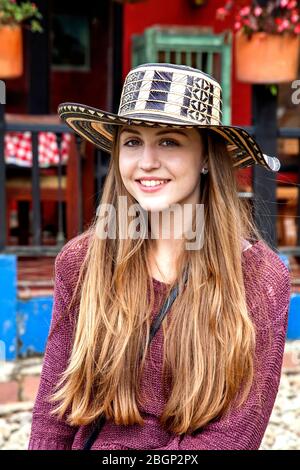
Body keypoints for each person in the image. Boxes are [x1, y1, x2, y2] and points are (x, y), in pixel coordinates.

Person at [28, 63, 290, 450]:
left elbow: (234, 435)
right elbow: (54, 413)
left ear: (205, 158)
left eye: (169, 141)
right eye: (132, 142)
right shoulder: (82, 261)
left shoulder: (258, 278)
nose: (146, 161)